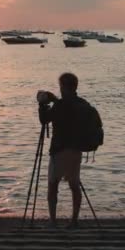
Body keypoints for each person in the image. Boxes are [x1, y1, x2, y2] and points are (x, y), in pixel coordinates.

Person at [37, 72, 90, 228]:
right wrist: (55, 100)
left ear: (64, 87)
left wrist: (42, 105)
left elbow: (44, 120)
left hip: (59, 150)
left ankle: (53, 221)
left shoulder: (60, 106)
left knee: (53, 185)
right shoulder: (83, 104)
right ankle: (74, 220)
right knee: (74, 185)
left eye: (61, 86)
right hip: (76, 150)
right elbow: (68, 107)